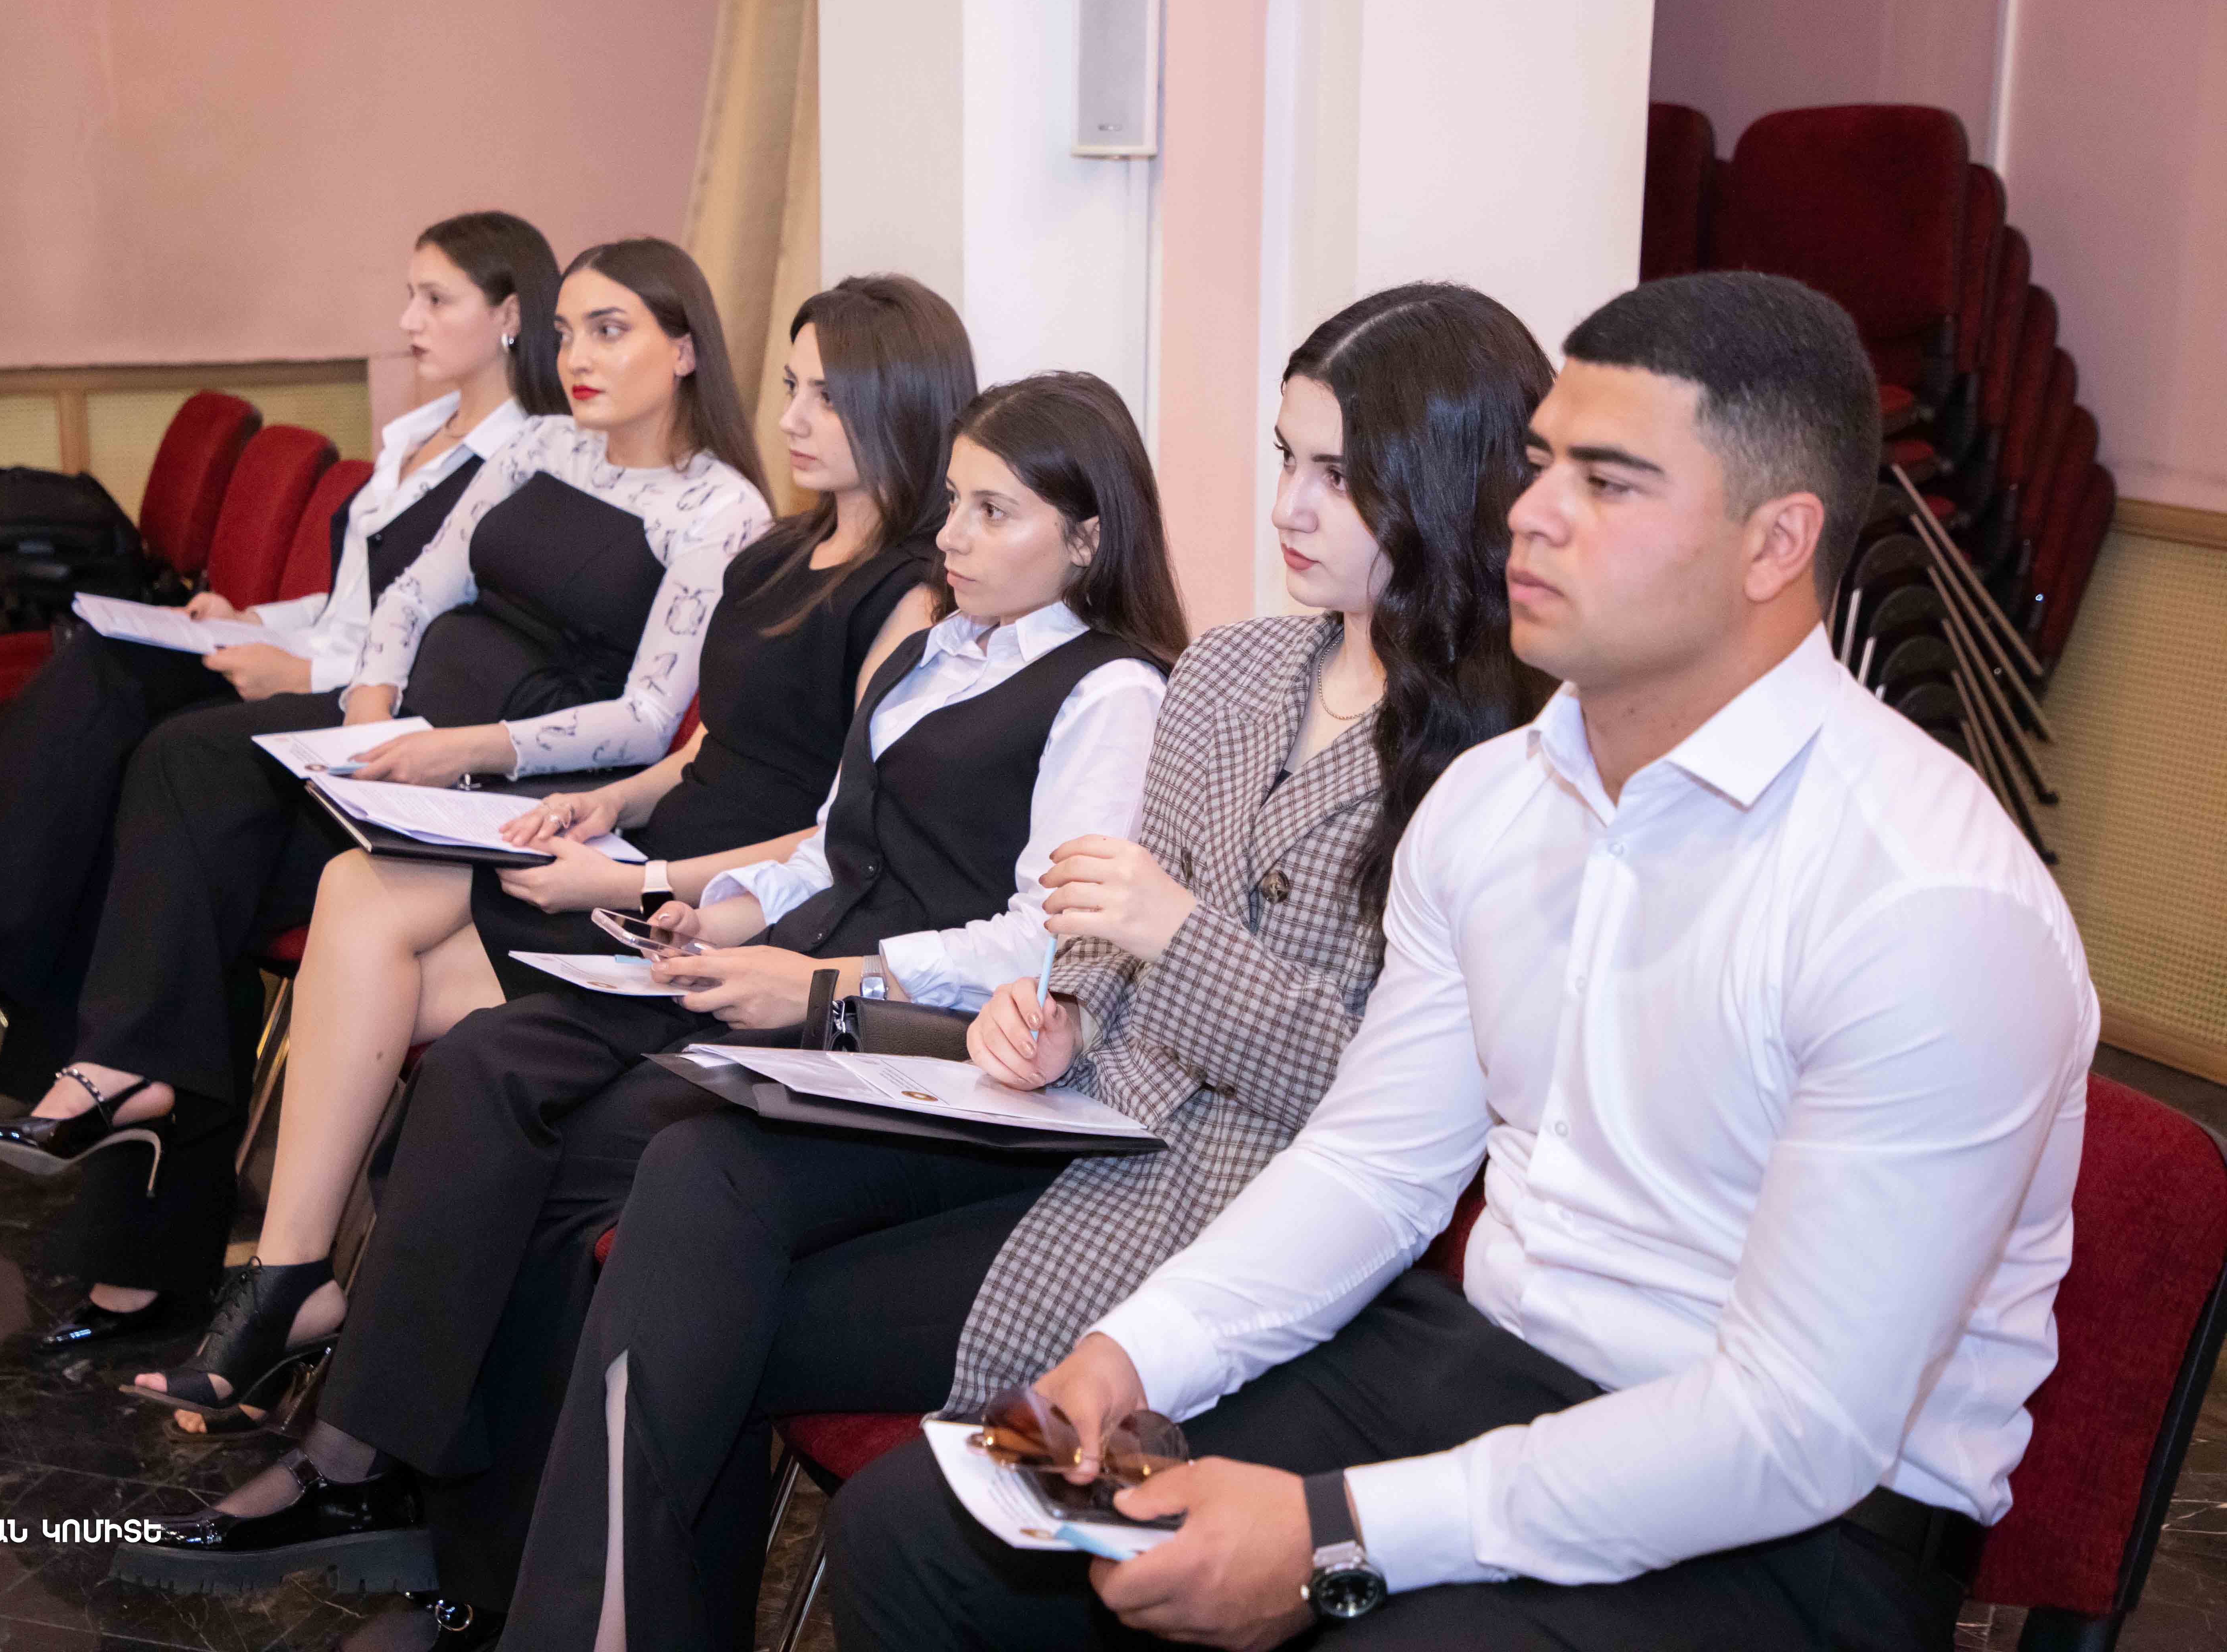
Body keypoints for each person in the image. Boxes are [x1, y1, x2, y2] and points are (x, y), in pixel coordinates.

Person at [827, 272, 2099, 1652]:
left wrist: (1340, 1533)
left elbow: (1793, 1427)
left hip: (1800, 1526)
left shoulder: (1929, 902)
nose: (1531, 513)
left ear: (1774, 542)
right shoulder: (1494, 802)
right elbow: (1375, 1165)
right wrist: (1141, 1350)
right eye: (1542, 464)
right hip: (1479, 1369)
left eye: (1607, 483)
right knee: (927, 1532)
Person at [490, 282, 1556, 1649]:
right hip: (1076, 1122)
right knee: (701, 1178)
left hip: (1223, 1205)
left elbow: (1389, 1117)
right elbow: (1096, 933)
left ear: (1448, 487)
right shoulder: (1234, 672)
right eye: (1286, 459)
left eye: (1337, 477)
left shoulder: (1502, 763)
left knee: (709, 1321)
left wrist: (1173, 943)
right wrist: (1054, 1015)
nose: (1289, 506)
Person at [109, 371, 1191, 1634]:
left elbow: (1041, 938)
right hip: (792, 970)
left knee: (582, 1167)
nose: (951, 536)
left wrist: (815, 977)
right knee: (489, 1070)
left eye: (993, 513)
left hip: (908, 1030)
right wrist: (710, 908)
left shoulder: (1113, 692)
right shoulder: (945, 648)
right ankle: (395, 1488)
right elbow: (831, 848)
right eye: (953, 503)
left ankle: (458, 1535)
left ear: (1089, 538)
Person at [122, 274, 975, 1426]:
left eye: (828, 397)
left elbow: (838, 835)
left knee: (395, 964)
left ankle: (300, 1295)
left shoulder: (913, 601)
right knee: (360, 898)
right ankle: (298, 1280)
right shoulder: (783, 550)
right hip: (651, 848)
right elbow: (709, 746)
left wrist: (632, 876)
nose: (791, 418)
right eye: (790, 387)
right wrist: (604, 802)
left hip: (725, 901)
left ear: (904, 403)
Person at [0, 237, 772, 1339]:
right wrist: (374, 705)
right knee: (187, 789)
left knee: (198, 842)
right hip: (407, 749)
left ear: (685, 348)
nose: (577, 357)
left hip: (526, 790)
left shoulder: (723, 511)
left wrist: (462, 747)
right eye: (568, 332)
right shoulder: (545, 446)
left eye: (610, 331)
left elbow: (646, 714)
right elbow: (417, 587)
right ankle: (136, 1141)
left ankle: (140, 1192)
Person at [0, 210, 568, 1112]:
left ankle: (92, 1051)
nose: (409, 319)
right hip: (318, 656)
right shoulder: (417, 433)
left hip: (378, 703)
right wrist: (254, 618)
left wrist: (302, 676)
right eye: (409, 295)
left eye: (436, 299)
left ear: (509, 315)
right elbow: (352, 601)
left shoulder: (532, 458)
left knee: (165, 759)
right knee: (108, 661)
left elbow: (460, 642)